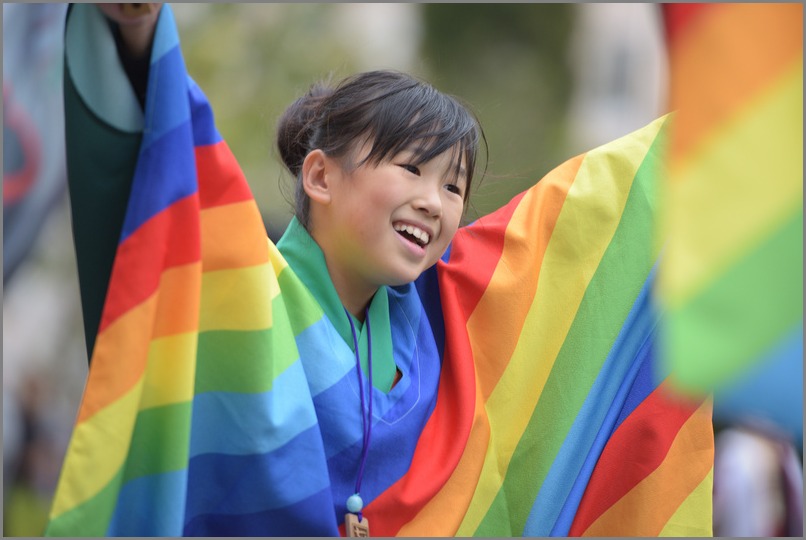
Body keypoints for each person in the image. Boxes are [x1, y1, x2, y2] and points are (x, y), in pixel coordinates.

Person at [47, 3, 714, 537]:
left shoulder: (447, 319)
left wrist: (723, 128)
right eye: (411, 169)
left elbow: (586, 224)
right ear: (321, 176)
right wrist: (138, 35)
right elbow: (177, 175)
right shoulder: (244, 294)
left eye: (453, 187)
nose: (435, 201)